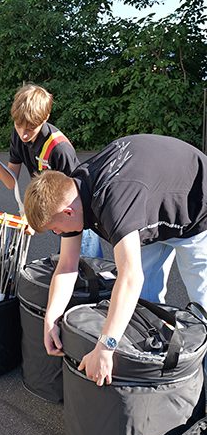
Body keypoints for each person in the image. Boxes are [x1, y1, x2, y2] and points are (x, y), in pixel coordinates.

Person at [23, 133, 207, 387]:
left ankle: (199, 388)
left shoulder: (113, 204)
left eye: (54, 228)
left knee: (202, 308)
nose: (57, 233)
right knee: (142, 306)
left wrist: (105, 347)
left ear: (68, 212)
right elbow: (66, 266)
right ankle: (155, 380)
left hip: (196, 208)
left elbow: (130, 277)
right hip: (150, 206)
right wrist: (51, 319)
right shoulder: (73, 192)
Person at [0, 83, 102, 257]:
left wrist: (33, 219)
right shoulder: (18, 136)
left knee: (84, 266)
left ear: (45, 117)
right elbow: (11, 182)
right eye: (19, 126)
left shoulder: (59, 149)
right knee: (65, 265)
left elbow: (72, 200)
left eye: (30, 129)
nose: (23, 134)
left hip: (78, 218)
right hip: (61, 216)